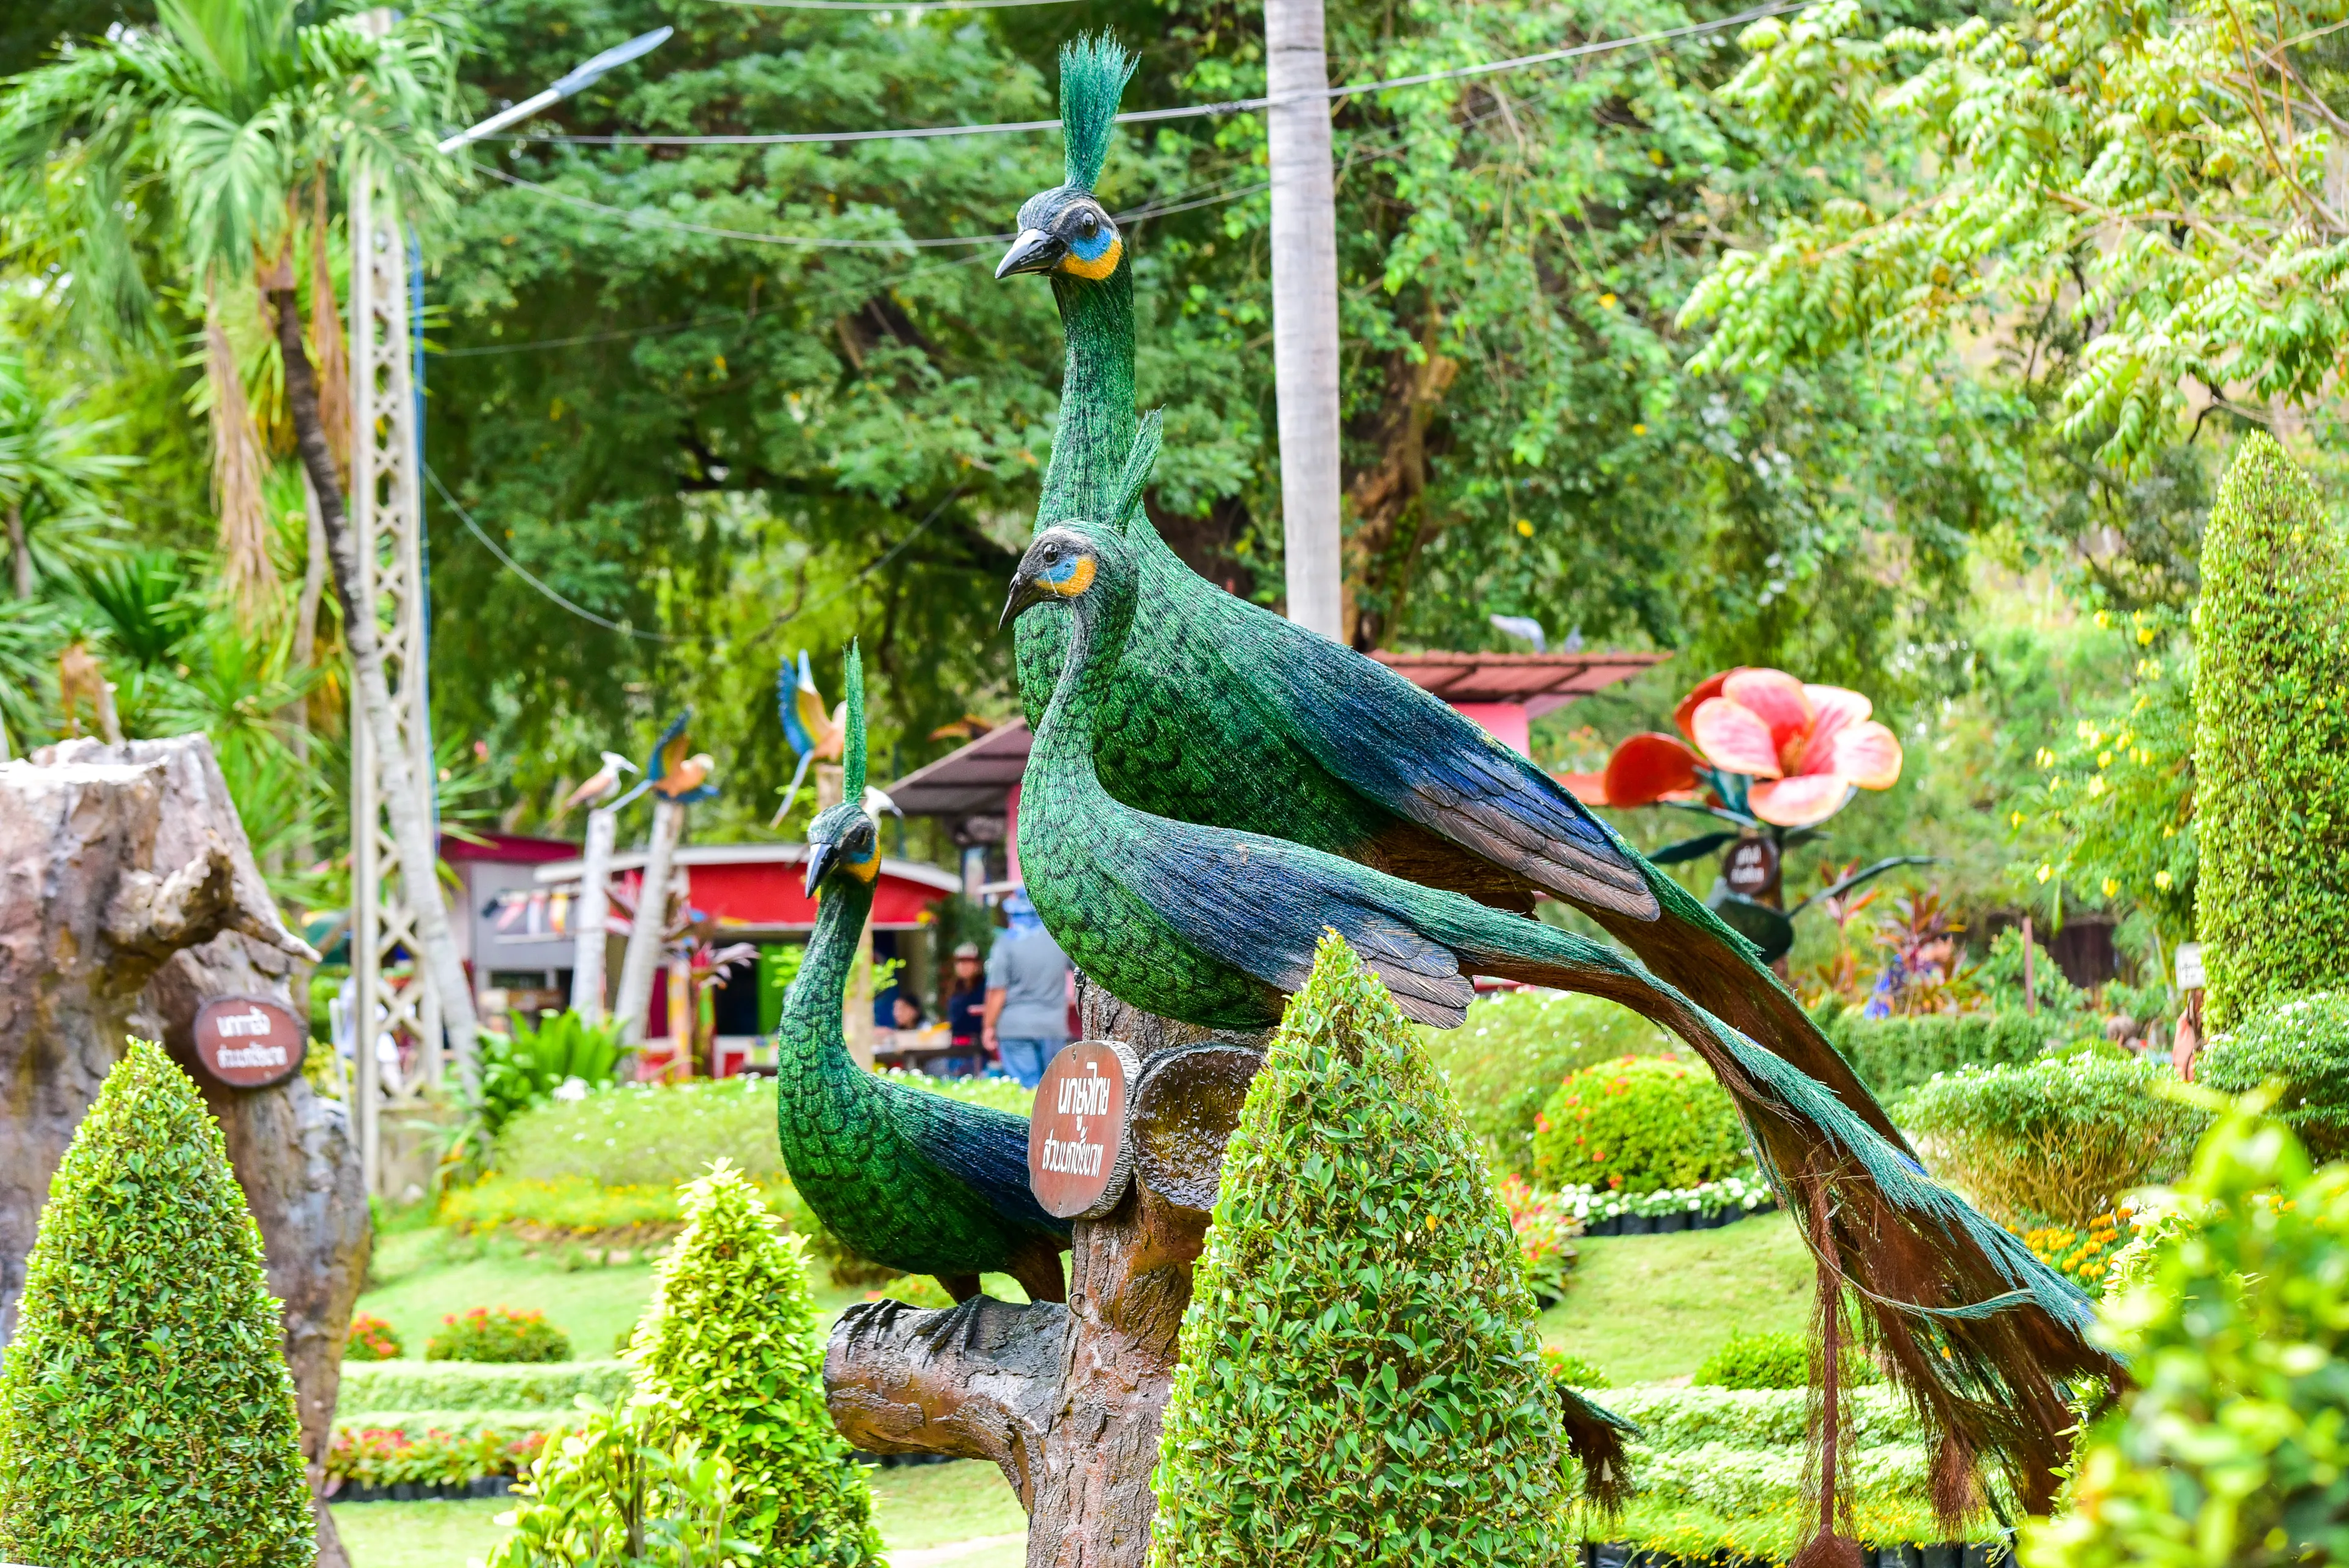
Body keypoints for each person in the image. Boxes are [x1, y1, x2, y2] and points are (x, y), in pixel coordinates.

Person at [984, 890, 1072, 1088]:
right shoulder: (1060, 939)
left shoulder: (1005, 944)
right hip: (1053, 1027)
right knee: (1055, 1091)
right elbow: (1084, 971)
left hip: (1015, 1029)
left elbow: (997, 991)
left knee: (1027, 1092)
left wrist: (988, 1027)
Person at [945, 942, 987, 1075]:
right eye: (959, 962)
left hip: (978, 1046)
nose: (962, 966)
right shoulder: (956, 988)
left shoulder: (985, 987)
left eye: (968, 961)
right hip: (956, 1046)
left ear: (978, 964)